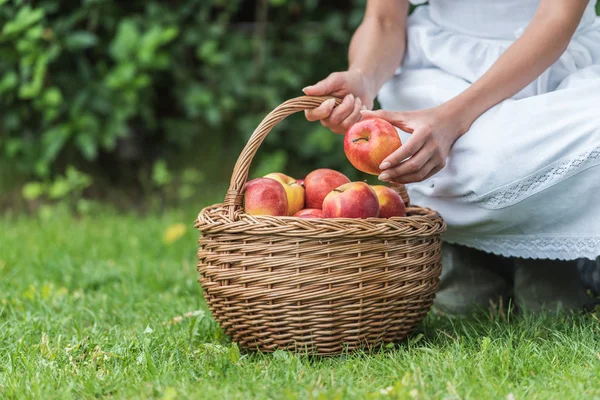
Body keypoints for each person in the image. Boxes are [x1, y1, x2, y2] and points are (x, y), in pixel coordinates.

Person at [303, 0, 600, 314]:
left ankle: (550, 263)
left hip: (556, 62)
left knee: (524, 148)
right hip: (441, 67)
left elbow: (558, 16)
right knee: (442, 145)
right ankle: (465, 259)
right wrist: (363, 77)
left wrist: (451, 120)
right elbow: (383, 19)